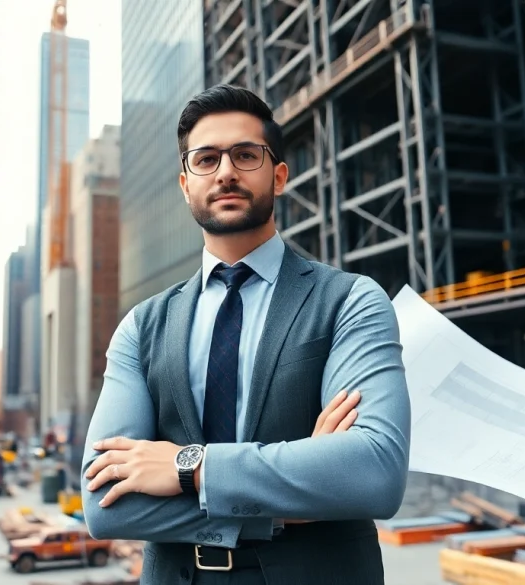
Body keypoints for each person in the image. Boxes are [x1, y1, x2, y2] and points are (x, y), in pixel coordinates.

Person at [81, 84, 411, 584]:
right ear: (185, 183)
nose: (226, 171)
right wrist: (282, 504)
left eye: (245, 155)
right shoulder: (141, 327)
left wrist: (188, 468)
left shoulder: (351, 300)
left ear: (278, 176)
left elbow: (374, 471)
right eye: (206, 159)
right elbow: (104, 505)